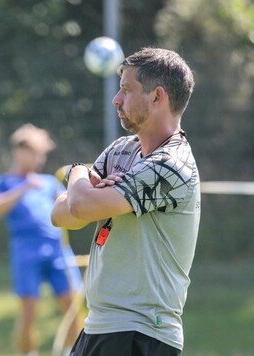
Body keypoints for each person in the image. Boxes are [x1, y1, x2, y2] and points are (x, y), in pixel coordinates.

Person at [51, 47, 200, 355]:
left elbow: (80, 207)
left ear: (157, 96)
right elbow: (60, 215)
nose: (116, 99)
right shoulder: (122, 149)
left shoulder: (171, 164)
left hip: (139, 333)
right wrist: (85, 190)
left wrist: (78, 171)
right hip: (101, 325)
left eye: (126, 90)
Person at [0, 124, 83, 356]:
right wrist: (24, 186)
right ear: (20, 151)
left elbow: (69, 204)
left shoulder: (49, 181)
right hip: (26, 251)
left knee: (72, 306)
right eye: (36, 153)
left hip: (58, 250)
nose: (40, 160)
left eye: (42, 154)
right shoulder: (3, 182)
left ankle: (74, 352)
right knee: (29, 310)